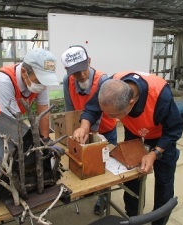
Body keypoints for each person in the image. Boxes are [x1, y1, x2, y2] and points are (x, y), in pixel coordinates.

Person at [73, 71, 183, 225]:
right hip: (134, 132)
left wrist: (154, 153)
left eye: (113, 115)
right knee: (131, 177)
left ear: (131, 103)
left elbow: (175, 129)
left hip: (161, 137)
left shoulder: (160, 95)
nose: (110, 118)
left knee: (164, 183)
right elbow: (92, 109)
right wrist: (84, 126)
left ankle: (159, 222)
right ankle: (132, 218)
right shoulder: (111, 86)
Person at [61, 45, 118, 215]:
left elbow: (98, 112)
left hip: (105, 130)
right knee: (86, 164)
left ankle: (104, 198)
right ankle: (91, 189)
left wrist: (88, 133)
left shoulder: (103, 80)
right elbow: (70, 109)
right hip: (82, 130)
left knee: (105, 167)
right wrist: (73, 131)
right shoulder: (67, 81)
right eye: (76, 73)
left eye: (83, 70)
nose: (81, 75)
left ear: (89, 61)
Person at [0, 48, 59, 147]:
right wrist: (31, 145)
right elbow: (13, 122)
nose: (43, 86)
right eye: (38, 81)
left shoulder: (40, 83)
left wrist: (45, 140)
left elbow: (43, 111)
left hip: (3, 122)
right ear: (23, 72)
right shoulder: (3, 81)